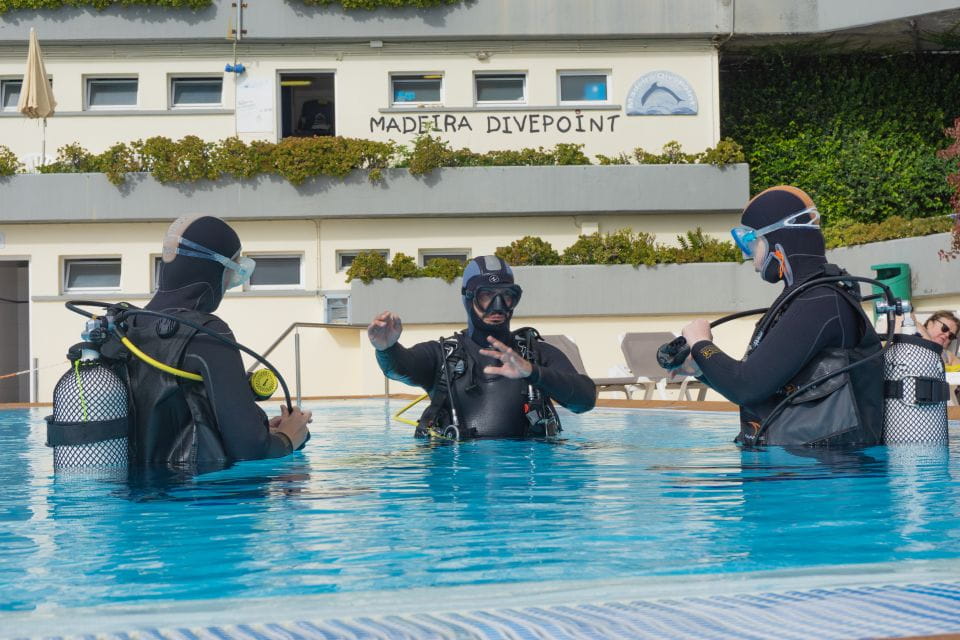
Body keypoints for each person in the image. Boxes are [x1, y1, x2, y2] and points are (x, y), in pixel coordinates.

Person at [671, 186, 884, 447]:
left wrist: (700, 342)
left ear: (778, 242)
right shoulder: (805, 300)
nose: (747, 255)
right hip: (806, 470)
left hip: (827, 477)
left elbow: (745, 385)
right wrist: (699, 369)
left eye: (751, 242)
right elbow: (760, 389)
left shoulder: (821, 303)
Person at [120, 215, 311, 467]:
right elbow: (252, 452)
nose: (231, 283)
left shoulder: (124, 326)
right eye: (233, 270)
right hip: (198, 500)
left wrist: (259, 428)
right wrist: (289, 436)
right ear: (214, 268)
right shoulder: (206, 333)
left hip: (136, 495)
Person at [368, 255, 596, 439]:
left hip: (524, 488)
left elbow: (585, 401)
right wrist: (387, 349)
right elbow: (401, 367)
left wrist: (533, 373)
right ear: (468, 298)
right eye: (486, 296)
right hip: (458, 487)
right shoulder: (442, 356)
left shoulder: (536, 354)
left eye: (507, 296)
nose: (498, 307)